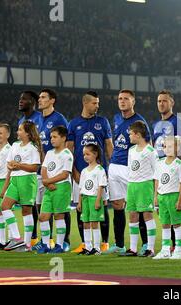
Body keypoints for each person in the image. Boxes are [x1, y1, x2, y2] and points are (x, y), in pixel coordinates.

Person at [105, 89, 151, 255]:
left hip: (131, 167)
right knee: (117, 205)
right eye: (119, 99)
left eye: (126, 99)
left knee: (137, 206)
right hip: (115, 165)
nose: (122, 101)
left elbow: (148, 144)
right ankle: (119, 244)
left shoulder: (139, 121)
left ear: (133, 102)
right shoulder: (116, 118)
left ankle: (146, 244)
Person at [67, 91, 113, 253]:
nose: (97, 106)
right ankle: (85, 244)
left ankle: (104, 242)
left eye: (98, 103)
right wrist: (73, 172)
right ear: (85, 103)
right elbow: (69, 150)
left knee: (102, 206)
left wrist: (110, 168)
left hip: (100, 171)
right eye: (94, 103)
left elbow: (108, 145)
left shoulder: (103, 122)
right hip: (80, 172)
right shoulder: (73, 123)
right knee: (81, 208)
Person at [33, 88, 70, 252]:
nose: (39, 100)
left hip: (59, 180)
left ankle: (63, 242)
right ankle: (45, 241)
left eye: (43, 97)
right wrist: (46, 179)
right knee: (42, 211)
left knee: (60, 213)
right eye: (39, 97)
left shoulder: (59, 119)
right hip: (45, 175)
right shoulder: (37, 119)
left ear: (52, 100)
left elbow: (66, 144)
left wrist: (48, 180)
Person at [152, 89, 181, 253]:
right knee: (165, 216)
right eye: (159, 101)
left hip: (174, 171)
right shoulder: (156, 125)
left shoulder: (178, 122)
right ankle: (169, 247)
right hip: (161, 169)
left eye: (164, 101)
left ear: (171, 103)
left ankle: (180, 247)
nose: (161, 104)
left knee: (174, 214)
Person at [2, 121, 42, 251]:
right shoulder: (14, 145)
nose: (17, 132)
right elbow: (8, 163)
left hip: (27, 180)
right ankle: (17, 238)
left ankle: (27, 244)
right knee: (5, 206)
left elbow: (35, 167)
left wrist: (18, 165)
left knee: (26, 210)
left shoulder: (33, 148)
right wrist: (11, 166)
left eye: (20, 130)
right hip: (15, 179)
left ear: (27, 133)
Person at [119, 121, 158, 257]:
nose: (129, 137)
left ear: (137, 134)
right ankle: (133, 249)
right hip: (132, 186)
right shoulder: (131, 151)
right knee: (133, 216)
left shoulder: (151, 151)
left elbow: (157, 173)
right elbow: (131, 170)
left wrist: (156, 194)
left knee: (147, 215)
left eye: (130, 134)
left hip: (145, 185)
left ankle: (150, 248)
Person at [37, 126, 73, 254]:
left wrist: (48, 181)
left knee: (58, 216)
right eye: (51, 137)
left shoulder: (67, 154)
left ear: (63, 138)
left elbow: (65, 174)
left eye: (55, 137)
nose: (52, 139)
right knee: (43, 217)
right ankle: (46, 245)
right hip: (49, 187)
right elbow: (44, 169)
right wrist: (47, 183)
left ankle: (59, 245)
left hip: (62, 187)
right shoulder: (50, 153)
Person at [153, 136, 181, 260]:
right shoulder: (159, 163)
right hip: (162, 197)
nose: (167, 149)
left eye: (171, 147)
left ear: (177, 149)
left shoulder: (179, 164)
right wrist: (156, 197)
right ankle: (165, 250)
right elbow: (157, 181)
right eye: (165, 146)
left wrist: (180, 200)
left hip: (173, 197)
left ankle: (178, 249)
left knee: (176, 224)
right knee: (165, 224)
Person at [17, 91, 43, 248]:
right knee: (31, 205)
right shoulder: (22, 120)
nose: (20, 101)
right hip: (28, 171)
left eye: (24, 99)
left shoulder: (40, 118)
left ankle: (54, 240)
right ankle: (32, 238)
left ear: (33, 102)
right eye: (20, 99)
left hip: (42, 167)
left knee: (46, 206)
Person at [76, 144, 107, 255]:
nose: (85, 156)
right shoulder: (84, 171)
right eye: (84, 154)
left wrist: (98, 200)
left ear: (95, 154)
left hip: (94, 198)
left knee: (94, 223)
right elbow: (81, 187)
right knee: (85, 223)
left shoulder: (99, 169)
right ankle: (88, 247)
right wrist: (79, 202)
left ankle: (97, 248)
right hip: (85, 199)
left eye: (88, 154)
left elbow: (101, 186)